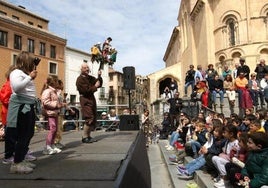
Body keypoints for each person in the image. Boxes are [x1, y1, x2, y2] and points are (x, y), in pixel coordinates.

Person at [5, 51, 38, 174]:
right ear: (24, 61)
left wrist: (29, 76)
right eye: (30, 61)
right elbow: (17, 87)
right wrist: (30, 77)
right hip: (22, 106)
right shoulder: (16, 72)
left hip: (28, 105)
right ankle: (17, 163)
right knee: (23, 135)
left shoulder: (23, 73)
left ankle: (21, 158)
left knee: (29, 133)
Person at [76, 63, 102, 143]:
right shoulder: (80, 79)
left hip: (91, 98)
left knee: (93, 116)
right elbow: (85, 91)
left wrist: (99, 76)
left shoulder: (90, 78)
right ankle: (84, 137)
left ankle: (88, 136)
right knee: (89, 117)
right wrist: (95, 87)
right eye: (84, 68)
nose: (87, 69)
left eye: (87, 67)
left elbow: (98, 83)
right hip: (85, 98)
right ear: (81, 69)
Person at [41, 76, 66, 155]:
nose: (58, 83)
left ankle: (52, 144)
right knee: (53, 129)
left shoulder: (53, 91)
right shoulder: (48, 91)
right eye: (56, 82)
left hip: (55, 112)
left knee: (55, 129)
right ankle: (47, 146)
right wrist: (57, 105)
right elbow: (45, 102)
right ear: (53, 82)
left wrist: (59, 105)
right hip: (50, 112)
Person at [0, 65, 15, 138]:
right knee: (11, 137)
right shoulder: (9, 84)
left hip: (10, 115)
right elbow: (5, 100)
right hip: (9, 115)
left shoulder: (10, 84)